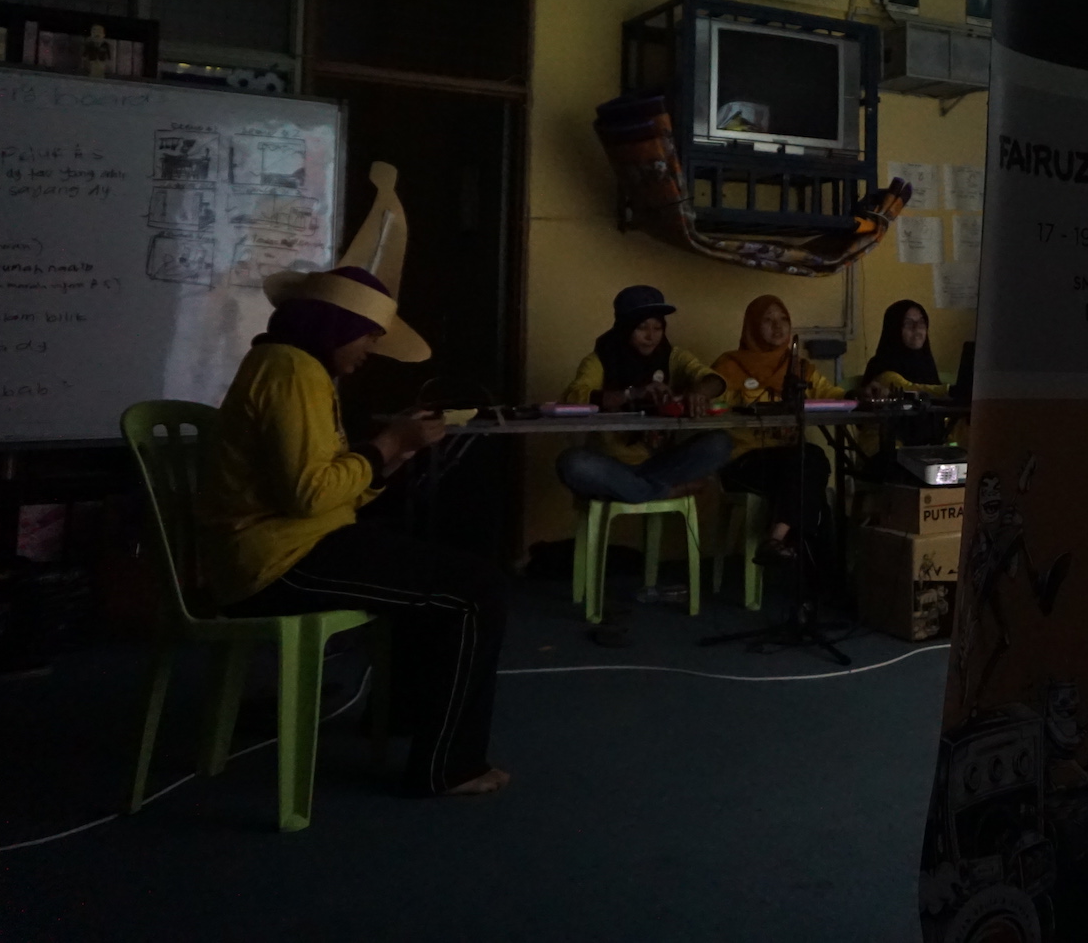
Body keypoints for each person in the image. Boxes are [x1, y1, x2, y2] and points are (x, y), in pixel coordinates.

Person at [197, 266, 512, 798]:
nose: (371, 348)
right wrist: (387, 444)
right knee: (478, 590)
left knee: (432, 577)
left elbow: (326, 489)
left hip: (289, 546)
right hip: (279, 561)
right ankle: (449, 765)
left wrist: (396, 454)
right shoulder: (293, 372)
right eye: (368, 335)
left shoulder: (290, 365)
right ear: (335, 324)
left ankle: (405, 718)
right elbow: (309, 495)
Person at [555, 284, 730, 514]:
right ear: (625, 328)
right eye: (642, 328)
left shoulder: (672, 357)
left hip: (662, 464)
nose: (651, 336)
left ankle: (637, 489)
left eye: (658, 328)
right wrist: (632, 393)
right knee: (573, 463)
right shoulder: (601, 360)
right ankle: (663, 491)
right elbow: (573, 397)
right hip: (611, 466)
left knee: (720, 443)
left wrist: (699, 393)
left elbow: (714, 380)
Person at [712, 295, 847, 565]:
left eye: (783, 319)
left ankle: (777, 539)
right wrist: (742, 401)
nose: (778, 326)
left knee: (807, 470)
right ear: (752, 326)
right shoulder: (728, 367)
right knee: (812, 471)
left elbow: (828, 393)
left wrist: (858, 395)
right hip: (744, 461)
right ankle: (818, 572)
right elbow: (713, 404)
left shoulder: (798, 367)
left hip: (790, 462)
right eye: (768, 320)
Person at [860, 299, 950, 452]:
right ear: (894, 329)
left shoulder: (926, 364)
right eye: (908, 324)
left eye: (921, 323)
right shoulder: (881, 365)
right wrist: (953, 390)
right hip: (884, 450)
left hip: (924, 450)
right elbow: (908, 388)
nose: (917, 329)